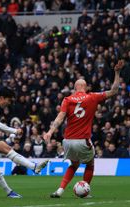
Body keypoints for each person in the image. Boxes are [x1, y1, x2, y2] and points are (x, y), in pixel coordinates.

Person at [43, 60, 124, 198]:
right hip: (82, 140)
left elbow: (60, 117)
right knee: (90, 164)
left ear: (75, 88)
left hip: (67, 141)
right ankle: (84, 191)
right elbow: (114, 91)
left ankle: (60, 190)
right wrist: (117, 72)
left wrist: (50, 132)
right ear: (85, 88)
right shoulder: (92, 97)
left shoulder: (67, 99)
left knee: (74, 165)